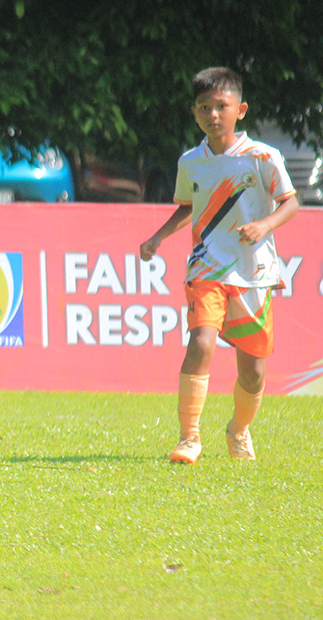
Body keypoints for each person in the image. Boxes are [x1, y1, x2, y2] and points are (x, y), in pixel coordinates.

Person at [139, 66, 299, 464]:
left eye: (221, 106)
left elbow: (291, 202)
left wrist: (263, 225)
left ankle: (238, 431)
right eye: (204, 107)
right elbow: (188, 208)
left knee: (254, 372)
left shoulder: (264, 157)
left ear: (240, 109)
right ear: (194, 113)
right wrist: (159, 237)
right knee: (201, 342)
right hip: (206, 268)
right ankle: (189, 438)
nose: (213, 114)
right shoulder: (192, 161)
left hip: (253, 273)